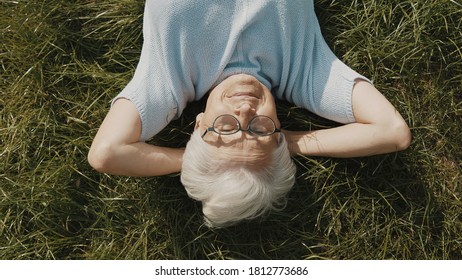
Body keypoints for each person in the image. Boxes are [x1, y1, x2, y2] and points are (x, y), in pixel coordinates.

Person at [88, 0, 411, 227]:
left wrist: (196, 158)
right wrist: (288, 144)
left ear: (198, 126)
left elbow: (106, 154)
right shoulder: (304, 72)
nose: (244, 109)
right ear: (278, 131)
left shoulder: (169, 80)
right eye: (258, 129)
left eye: (226, 128)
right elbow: (392, 131)